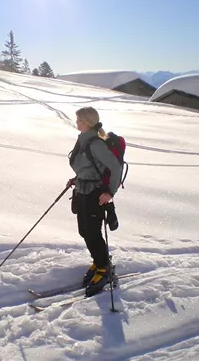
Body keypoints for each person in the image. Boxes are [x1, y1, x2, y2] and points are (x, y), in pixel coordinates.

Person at [67, 106, 122, 296]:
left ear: (88, 122)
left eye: (80, 120)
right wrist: (77, 179)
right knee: (85, 231)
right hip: (82, 190)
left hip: (94, 194)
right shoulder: (83, 139)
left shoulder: (96, 143)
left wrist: (110, 192)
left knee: (92, 232)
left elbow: (115, 168)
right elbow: (88, 166)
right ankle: (99, 261)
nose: (77, 122)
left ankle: (104, 269)